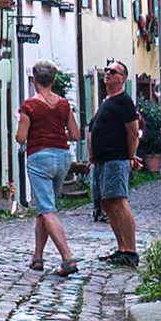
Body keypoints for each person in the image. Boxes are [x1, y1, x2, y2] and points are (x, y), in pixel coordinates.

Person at [15, 60, 81, 276]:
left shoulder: (29, 106)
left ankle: (68, 258)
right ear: (53, 81)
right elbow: (75, 134)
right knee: (44, 208)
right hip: (62, 157)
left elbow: (21, 137)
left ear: (34, 80)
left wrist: (21, 121)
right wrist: (57, 133)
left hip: (39, 158)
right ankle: (38, 258)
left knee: (47, 209)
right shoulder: (63, 104)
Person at [88, 59, 143, 266]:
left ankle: (131, 251)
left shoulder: (123, 101)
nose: (107, 74)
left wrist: (130, 157)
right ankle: (121, 248)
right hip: (102, 161)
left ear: (122, 78)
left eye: (113, 71)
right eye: (107, 70)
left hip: (116, 159)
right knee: (107, 203)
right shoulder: (107, 101)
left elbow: (133, 132)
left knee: (119, 202)